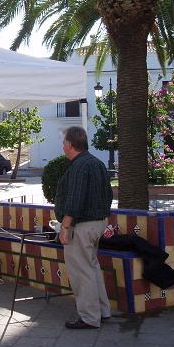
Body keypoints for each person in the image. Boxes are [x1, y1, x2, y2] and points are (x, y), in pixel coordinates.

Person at [55, 126, 113, 329]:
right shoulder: (96, 163)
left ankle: (89, 317)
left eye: (63, 143)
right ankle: (102, 311)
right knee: (92, 268)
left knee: (82, 272)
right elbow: (109, 195)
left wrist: (65, 226)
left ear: (70, 145)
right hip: (98, 222)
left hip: (82, 226)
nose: (62, 147)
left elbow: (75, 199)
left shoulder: (79, 166)